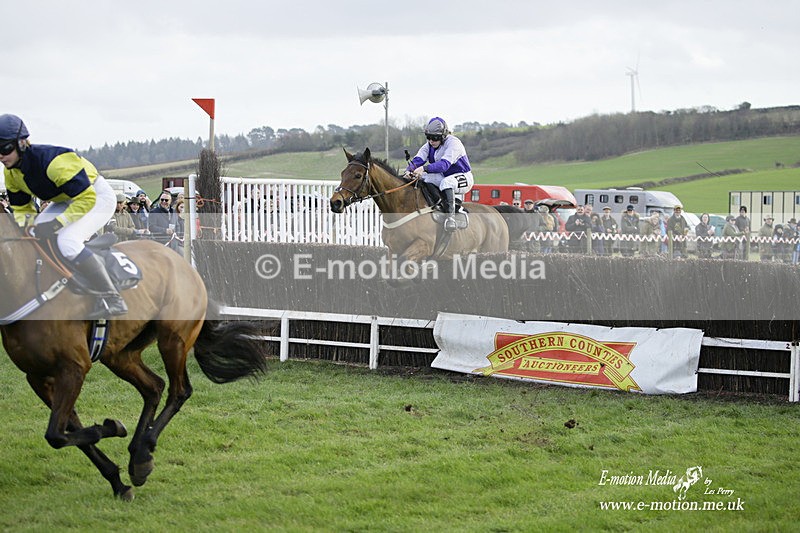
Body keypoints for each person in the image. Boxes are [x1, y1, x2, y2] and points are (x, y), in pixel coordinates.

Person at [0, 113, 127, 318]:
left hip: (96, 196)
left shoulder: (54, 161)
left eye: (4, 148)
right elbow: (23, 209)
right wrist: (28, 226)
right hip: (66, 200)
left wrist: (56, 225)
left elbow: (86, 199)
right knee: (34, 232)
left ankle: (113, 297)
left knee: (68, 240)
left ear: (22, 143)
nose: (0, 156)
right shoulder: (11, 173)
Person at [405, 117, 473, 232]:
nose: (431, 141)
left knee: (447, 183)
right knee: (423, 178)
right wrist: (409, 170)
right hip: (443, 175)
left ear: (443, 136)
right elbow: (418, 159)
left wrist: (424, 168)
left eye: (435, 138)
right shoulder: (429, 145)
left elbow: (444, 165)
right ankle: (434, 206)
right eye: (429, 137)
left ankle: (451, 218)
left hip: (463, 176)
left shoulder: (454, 143)